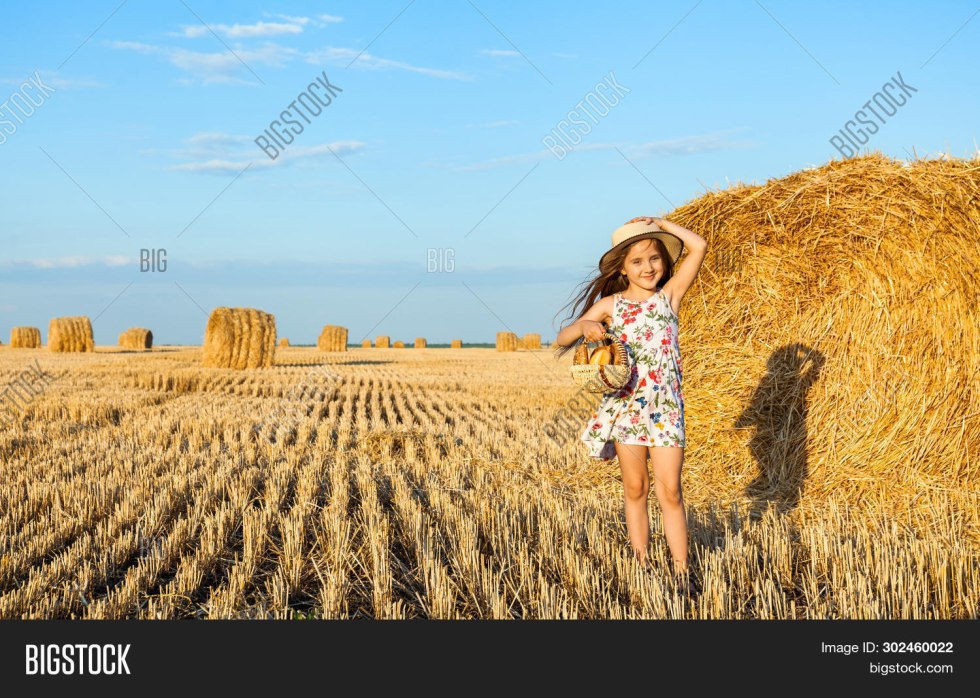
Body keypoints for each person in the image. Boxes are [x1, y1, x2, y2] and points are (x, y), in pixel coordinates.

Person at [554, 216, 708, 588]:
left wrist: (662, 223)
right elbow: (562, 338)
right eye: (637, 261)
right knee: (635, 488)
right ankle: (641, 564)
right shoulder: (612, 305)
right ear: (622, 268)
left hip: (666, 410)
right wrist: (585, 328)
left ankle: (682, 570)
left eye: (654, 258)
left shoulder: (669, 297)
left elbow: (699, 246)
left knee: (670, 490)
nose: (648, 267)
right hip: (628, 410)